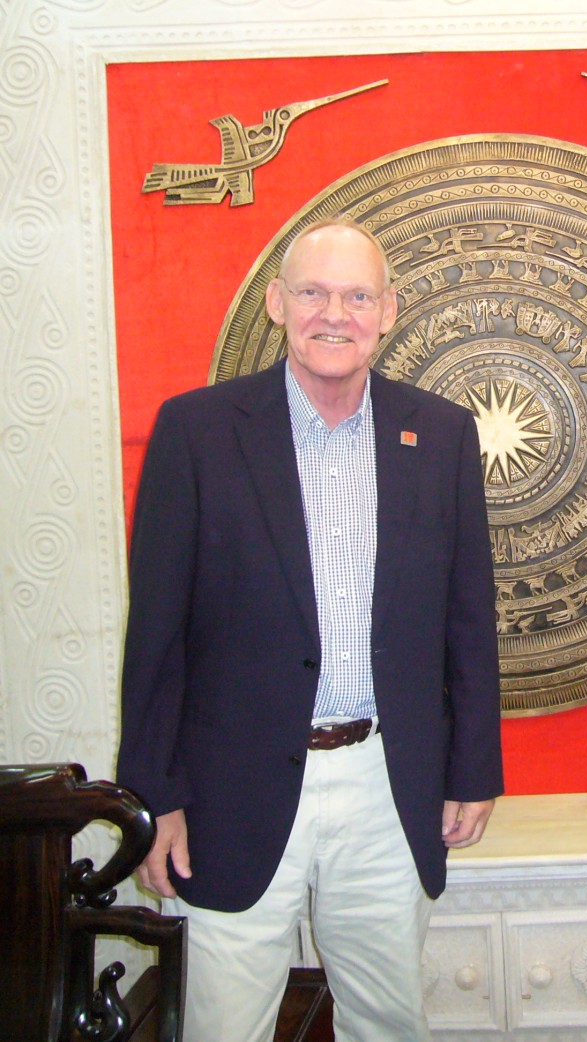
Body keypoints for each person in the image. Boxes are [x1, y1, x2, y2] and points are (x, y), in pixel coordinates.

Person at [117, 218, 503, 1042]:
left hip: (384, 781)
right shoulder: (197, 430)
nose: (335, 314)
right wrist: (155, 796)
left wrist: (473, 768)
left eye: (358, 296)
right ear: (277, 303)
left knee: (389, 1022)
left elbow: (468, 617)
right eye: (314, 293)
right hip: (230, 785)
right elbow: (156, 633)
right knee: (225, 1026)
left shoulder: (441, 433)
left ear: (388, 310)